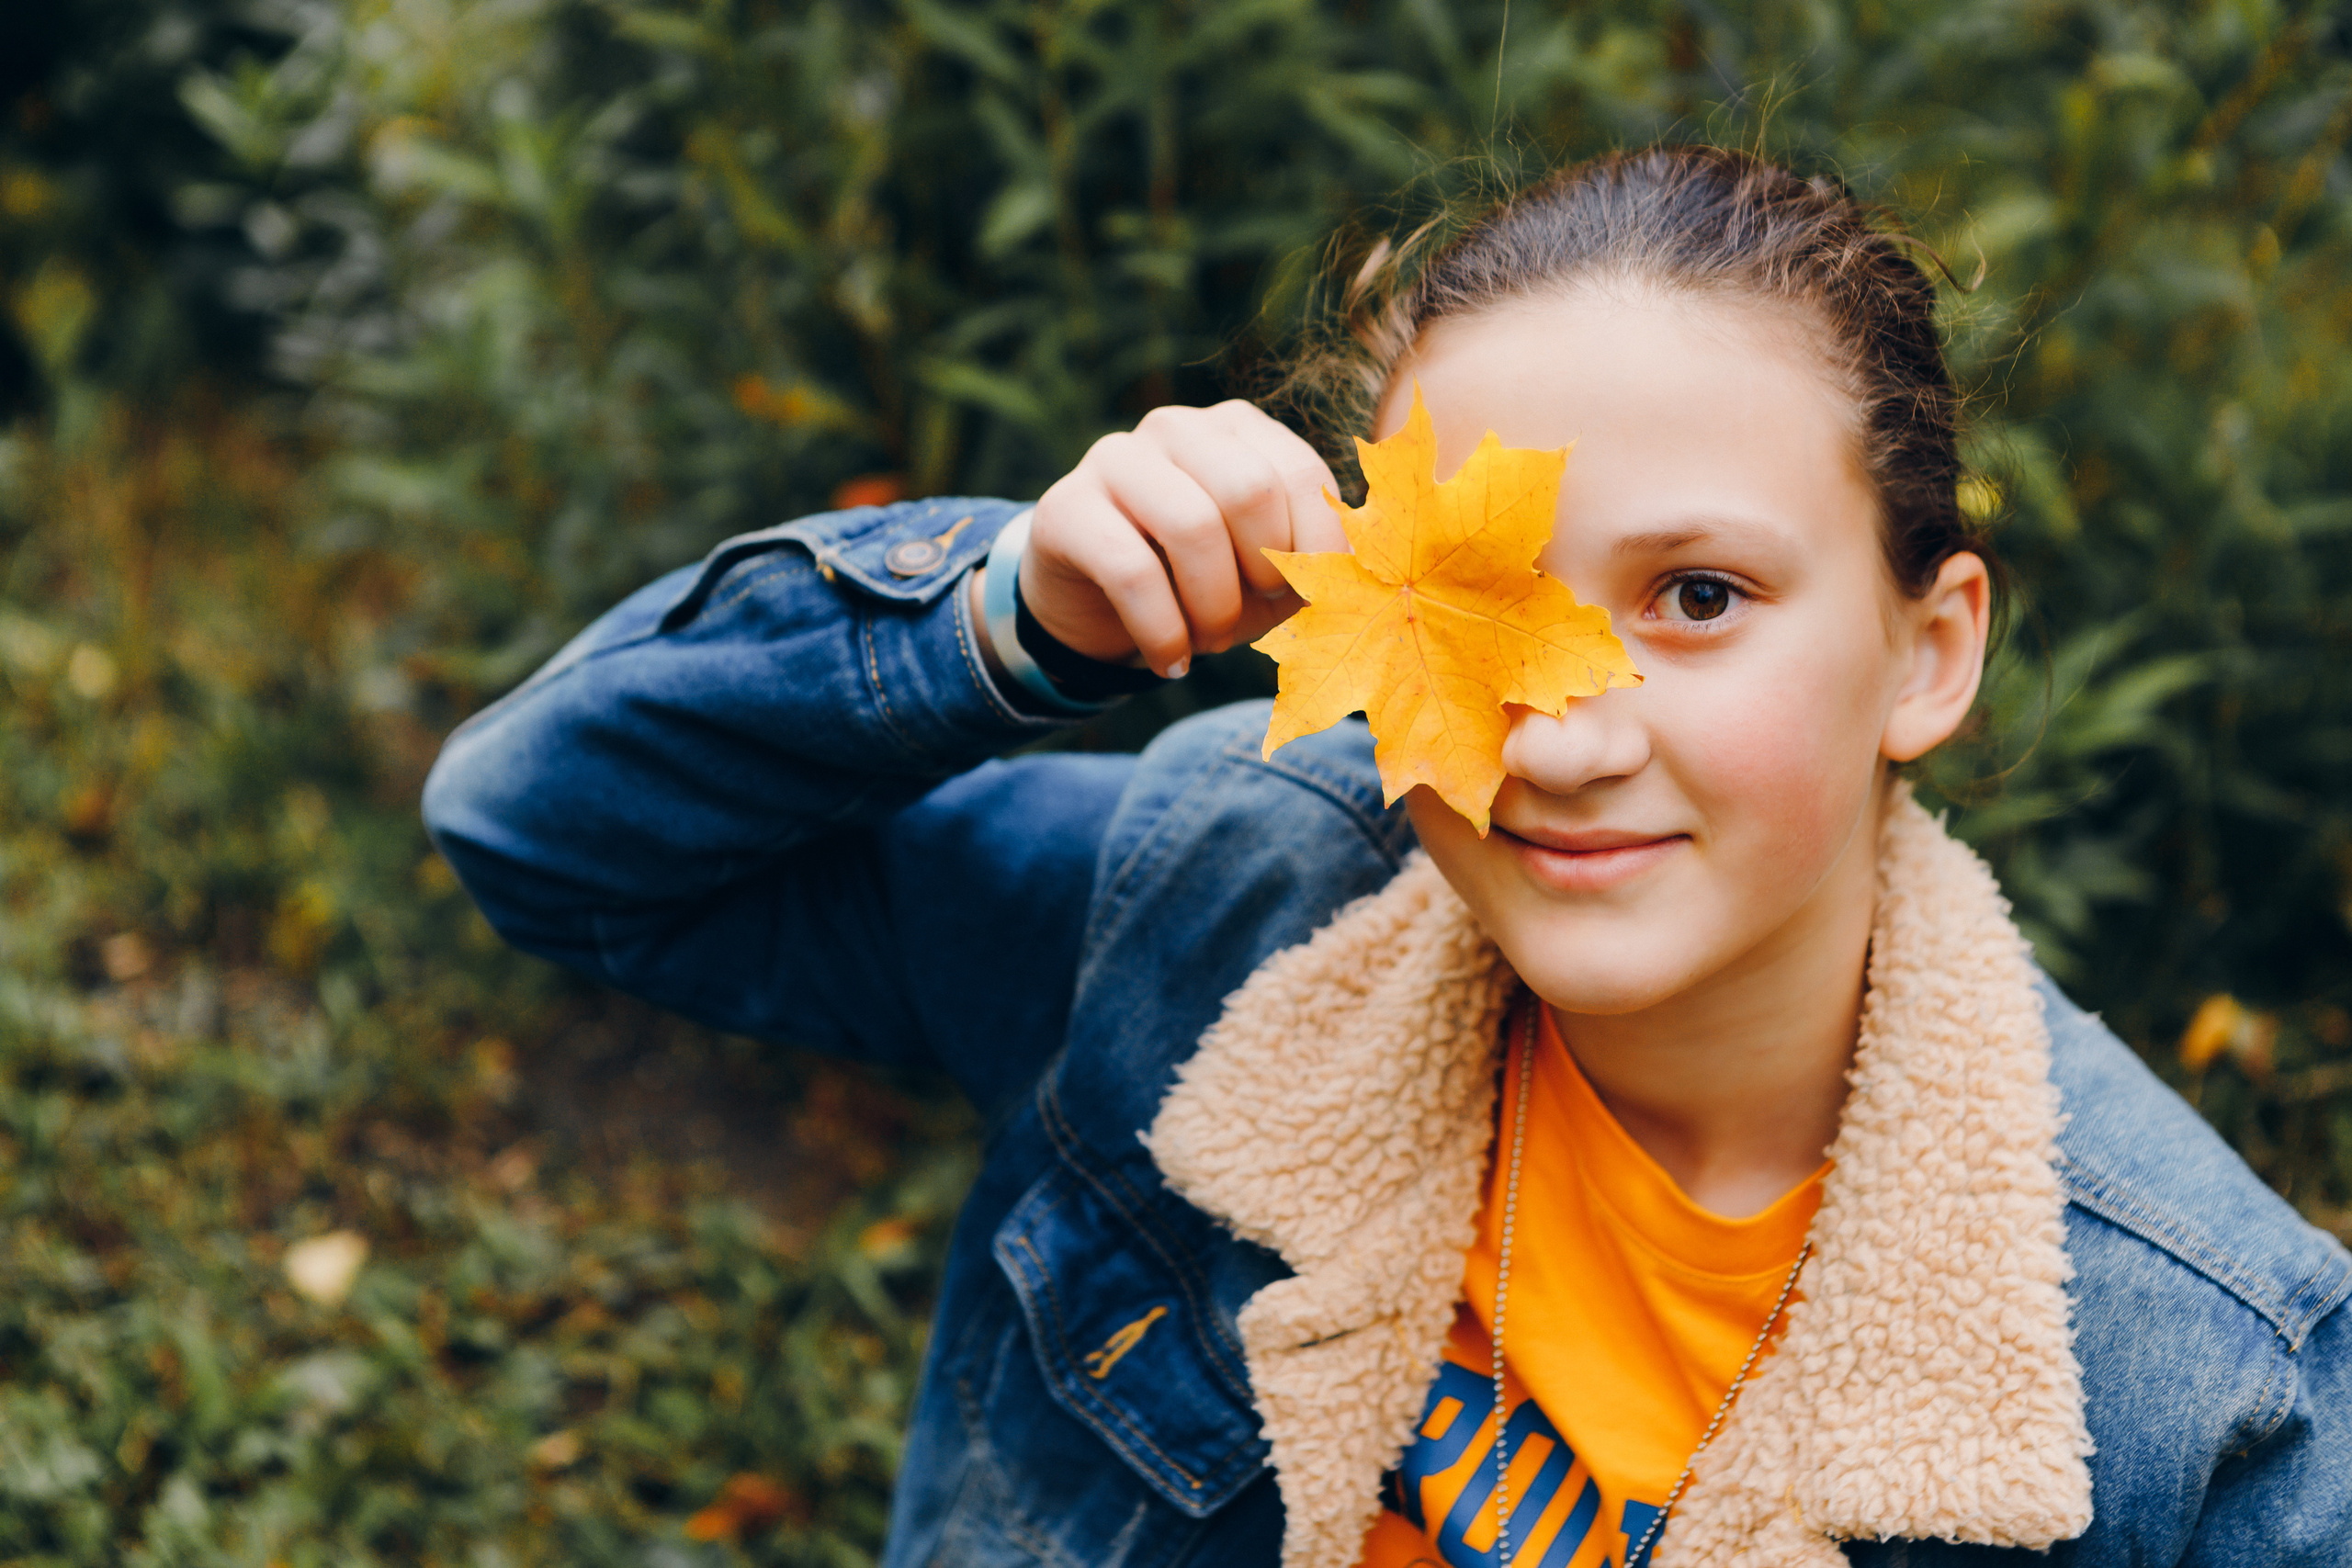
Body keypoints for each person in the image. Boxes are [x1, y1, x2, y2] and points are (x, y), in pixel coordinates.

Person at [421, 146, 2351, 1568]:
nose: (1565, 736)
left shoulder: (2208, 1408)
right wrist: (1003, 618)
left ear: (1926, 650)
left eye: (1696, 595)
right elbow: (547, 832)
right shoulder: (1215, 901)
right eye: (1471, 599)